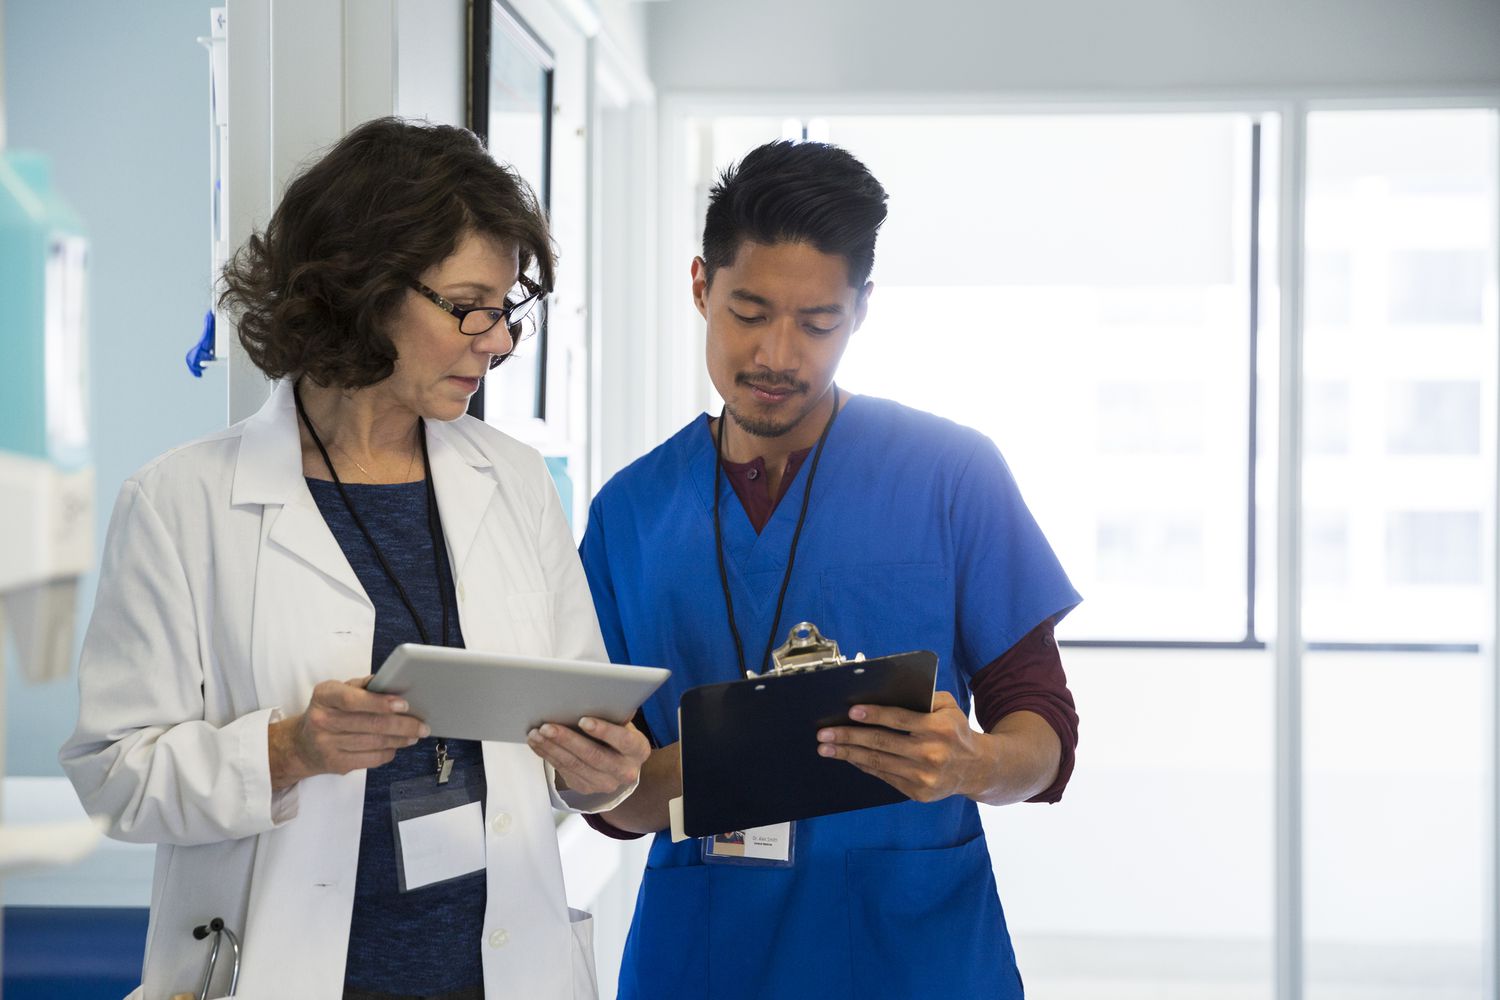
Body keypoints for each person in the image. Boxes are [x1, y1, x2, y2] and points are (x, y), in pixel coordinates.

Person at [59, 117, 649, 1000]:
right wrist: (288, 749)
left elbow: (570, 724)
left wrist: (597, 771)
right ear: (365, 286)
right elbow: (114, 777)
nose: (497, 341)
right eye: (469, 306)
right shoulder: (183, 503)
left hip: (502, 973)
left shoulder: (515, 482)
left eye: (507, 311)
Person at [564, 140, 1082, 999]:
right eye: (749, 311)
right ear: (701, 286)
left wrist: (973, 765)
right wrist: (649, 775)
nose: (777, 355)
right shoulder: (631, 513)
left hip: (914, 949)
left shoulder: (952, 472)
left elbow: (1045, 732)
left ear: (862, 310)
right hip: (707, 952)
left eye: (817, 324)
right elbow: (615, 803)